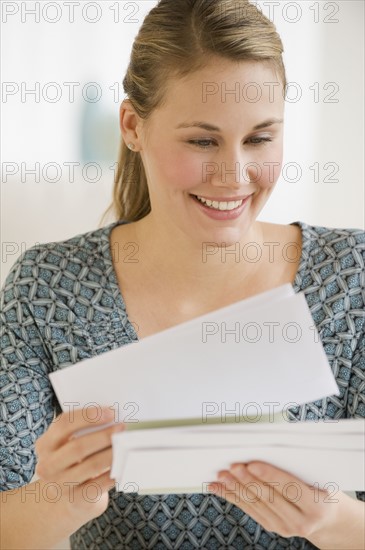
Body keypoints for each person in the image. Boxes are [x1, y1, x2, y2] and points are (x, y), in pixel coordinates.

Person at [1, 0, 364, 548]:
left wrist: (333, 521)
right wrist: (58, 498)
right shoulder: (48, 288)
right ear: (132, 126)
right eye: (202, 140)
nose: (235, 175)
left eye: (260, 138)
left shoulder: (350, 279)